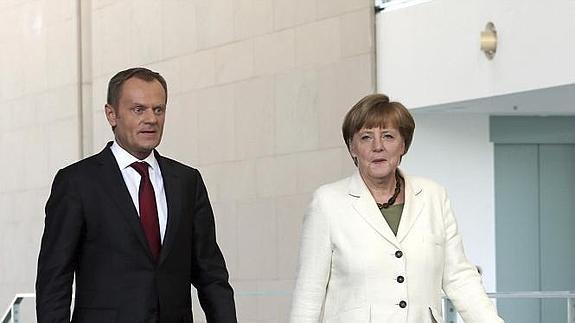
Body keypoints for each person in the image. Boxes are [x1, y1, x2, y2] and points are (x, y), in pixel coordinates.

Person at [36, 67, 237, 323]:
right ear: (112, 114)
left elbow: (211, 275)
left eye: (158, 109)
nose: (151, 119)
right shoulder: (77, 183)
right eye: (138, 109)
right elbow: (54, 279)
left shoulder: (187, 182)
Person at [289, 94, 504, 323]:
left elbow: (459, 277)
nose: (378, 147)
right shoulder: (327, 202)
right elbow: (309, 292)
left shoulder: (433, 196)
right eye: (366, 137)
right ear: (352, 147)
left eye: (388, 136)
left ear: (403, 144)